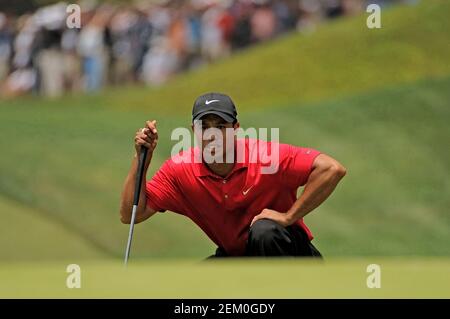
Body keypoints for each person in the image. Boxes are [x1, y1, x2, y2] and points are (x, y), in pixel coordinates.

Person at [119, 93, 346, 257]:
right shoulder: (180, 169)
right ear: (193, 131)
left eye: (220, 126)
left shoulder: (265, 156)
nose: (212, 135)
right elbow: (131, 214)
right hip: (239, 258)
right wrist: (141, 160)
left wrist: (288, 216)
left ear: (236, 128)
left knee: (264, 231)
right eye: (204, 127)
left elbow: (331, 169)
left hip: (292, 258)